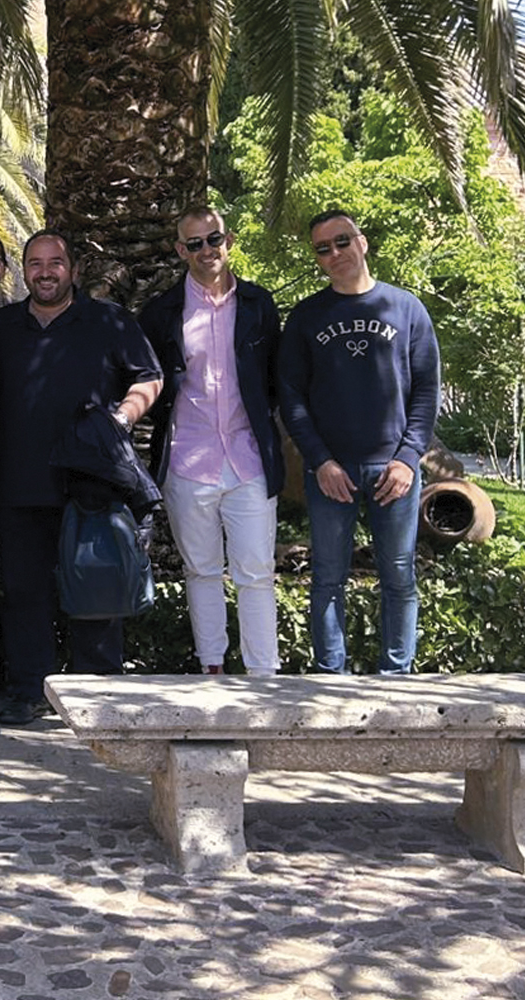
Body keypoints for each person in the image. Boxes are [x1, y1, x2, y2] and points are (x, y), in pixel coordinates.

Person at [0, 229, 162, 726]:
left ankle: (98, 693)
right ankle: (28, 690)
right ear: (24, 271)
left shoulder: (108, 320)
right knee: (24, 593)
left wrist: (123, 418)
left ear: (73, 270)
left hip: (93, 484)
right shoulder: (0, 328)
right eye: (35, 263)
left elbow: (149, 375)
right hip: (19, 483)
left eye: (55, 262)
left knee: (97, 587)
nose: (45, 272)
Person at [280, 209, 440, 674]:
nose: (334, 254)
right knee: (328, 577)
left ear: (362, 243)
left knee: (399, 577)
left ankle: (397, 676)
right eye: (323, 248)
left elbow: (426, 390)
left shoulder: (406, 308)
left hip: (395, 471)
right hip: (331, 472)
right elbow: (291, 397)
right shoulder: (307, 316)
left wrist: (408, 459)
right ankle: (332, 677)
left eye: (342, 241)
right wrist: (321, 461)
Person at [139, 207, 283, 677]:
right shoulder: (162, 313)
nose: (207, 250)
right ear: (181, 250)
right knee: (201, 571)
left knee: (256, 573)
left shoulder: (260, 305)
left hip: (248, 460)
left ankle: (264, 677)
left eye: (213, 239)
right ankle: (212, 669)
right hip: (188, 460)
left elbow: (274, 380)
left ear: (229, 240)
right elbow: (150, 379)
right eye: (195, 243)